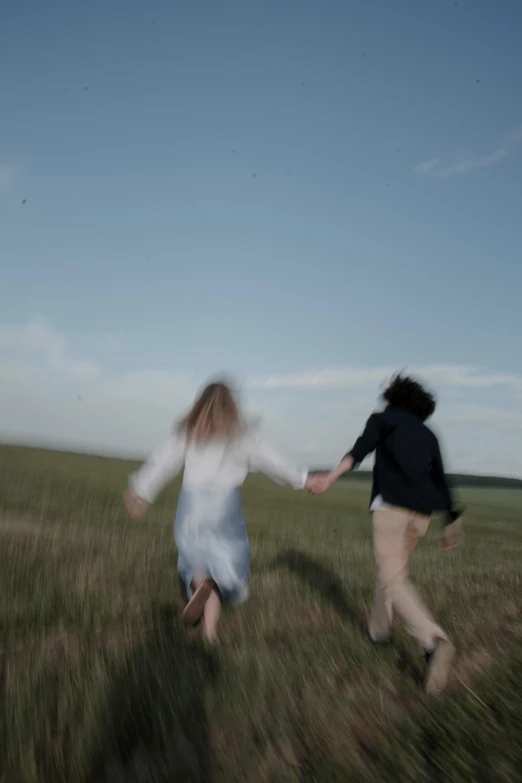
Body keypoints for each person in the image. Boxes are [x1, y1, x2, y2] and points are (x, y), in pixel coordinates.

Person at [124, 380, 314, 645]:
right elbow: (272, 461)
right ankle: (210, 631)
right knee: (223, 562)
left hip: (192, 503)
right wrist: (304, 479)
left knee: (197, 561)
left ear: (200, 403)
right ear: (232, 406)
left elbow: (162, 461)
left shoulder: (190, 431)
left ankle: (200, 586)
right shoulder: (241, 435)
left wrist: (140, 492)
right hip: (225, 504)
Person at [311, 373, 464, 695]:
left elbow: (358, 452)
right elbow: (440, 479)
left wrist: (331, 477)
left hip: (392, 509)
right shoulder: (428, 434)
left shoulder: (383, 420)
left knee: (394, 580)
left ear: (394, 396)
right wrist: (451, 520)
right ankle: (379, 632)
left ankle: (433, 641)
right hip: (421, 515)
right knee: (391, 572)